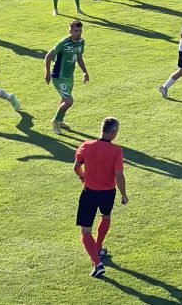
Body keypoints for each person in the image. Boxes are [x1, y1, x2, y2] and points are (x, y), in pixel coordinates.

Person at [74, 116, 128, 278]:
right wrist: (124, 195)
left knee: (85, 231)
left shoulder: (86, 146)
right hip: (108, 193)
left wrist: (83, 178)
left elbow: (76, 167)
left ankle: (97, 262)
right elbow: (119, 175)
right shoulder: (116, 151)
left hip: (89, 193)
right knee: (106, 216)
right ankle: (97, 250)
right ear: (113, 132)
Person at [44, 20, 90, 134]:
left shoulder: (81, 43)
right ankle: (55, 121)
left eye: (80, 31)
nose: (78, 33)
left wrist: (85, 72)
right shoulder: (63, 43)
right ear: (70, 31)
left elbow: (79, 58)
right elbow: (48, 56)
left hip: (69, 76)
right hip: (58, 76)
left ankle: (60, 121)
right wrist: (47, 73)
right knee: (69, 101)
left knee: (65, 99)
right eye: (76, 31)